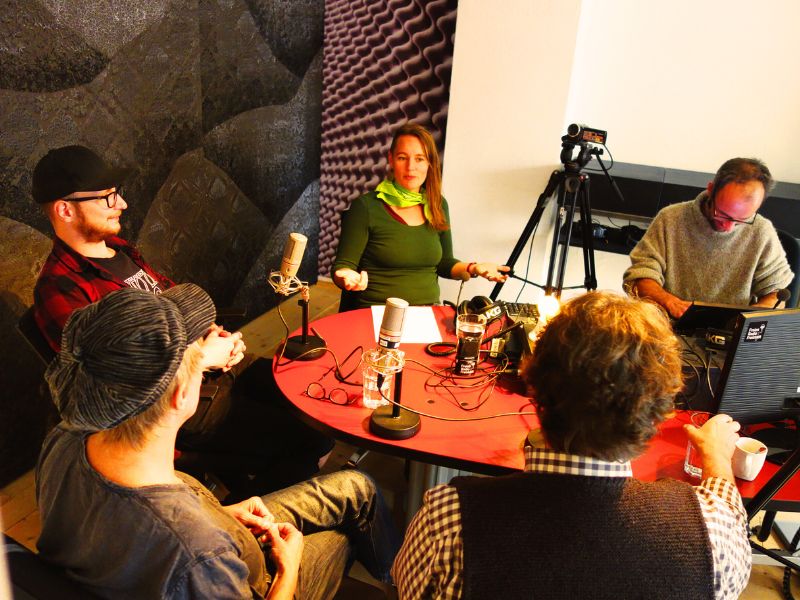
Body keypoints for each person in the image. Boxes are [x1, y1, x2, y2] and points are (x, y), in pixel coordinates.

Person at [36, 285, 398, 599]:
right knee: (344, 534)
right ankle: (399, 584)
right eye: (198, 361)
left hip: (214, 533)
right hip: (253, 575)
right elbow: (186, 549)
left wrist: (221, 515)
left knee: (357, 486)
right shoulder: (198, 554)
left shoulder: (67, 437)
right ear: (180, 395)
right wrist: (288, 569)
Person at [393, 291, 750, 600]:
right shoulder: (713, 534)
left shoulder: (450, 518)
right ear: (658, 413)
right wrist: (716, 457)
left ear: (533, 386)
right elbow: (728, 514)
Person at [30, 144, 333, 494]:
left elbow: (176, 304)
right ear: (65, 209)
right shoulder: (61, 289)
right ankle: (239, 519)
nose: (122, 204)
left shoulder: (122, 251)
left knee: (311, 395)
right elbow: (120, 385)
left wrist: (216, 335)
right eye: (107, 198)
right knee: (308, 440)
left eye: (118, 193)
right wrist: (201, 358)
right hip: (178, 406)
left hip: (212, 371)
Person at [332, 123, 509, 311]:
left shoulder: (438, 204)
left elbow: (445, 263)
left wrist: (474, 268)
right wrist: (346, 276)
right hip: (377, 312)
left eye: (419, 159)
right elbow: (343, 266)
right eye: (402, 158)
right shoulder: (366, 207)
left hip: (426, 312)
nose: (411, 167)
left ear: (429, 162)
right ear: (391, 159)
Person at [623, 157, 793, 318]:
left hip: (730, 331)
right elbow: (640, 276)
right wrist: (669, 301)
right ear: (711, 189)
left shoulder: (762, 231)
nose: (728, 227)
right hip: (667, 322)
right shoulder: (670, 219)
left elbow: (776, 294)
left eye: (742, 220)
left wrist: (748, 320)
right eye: (723, 215)